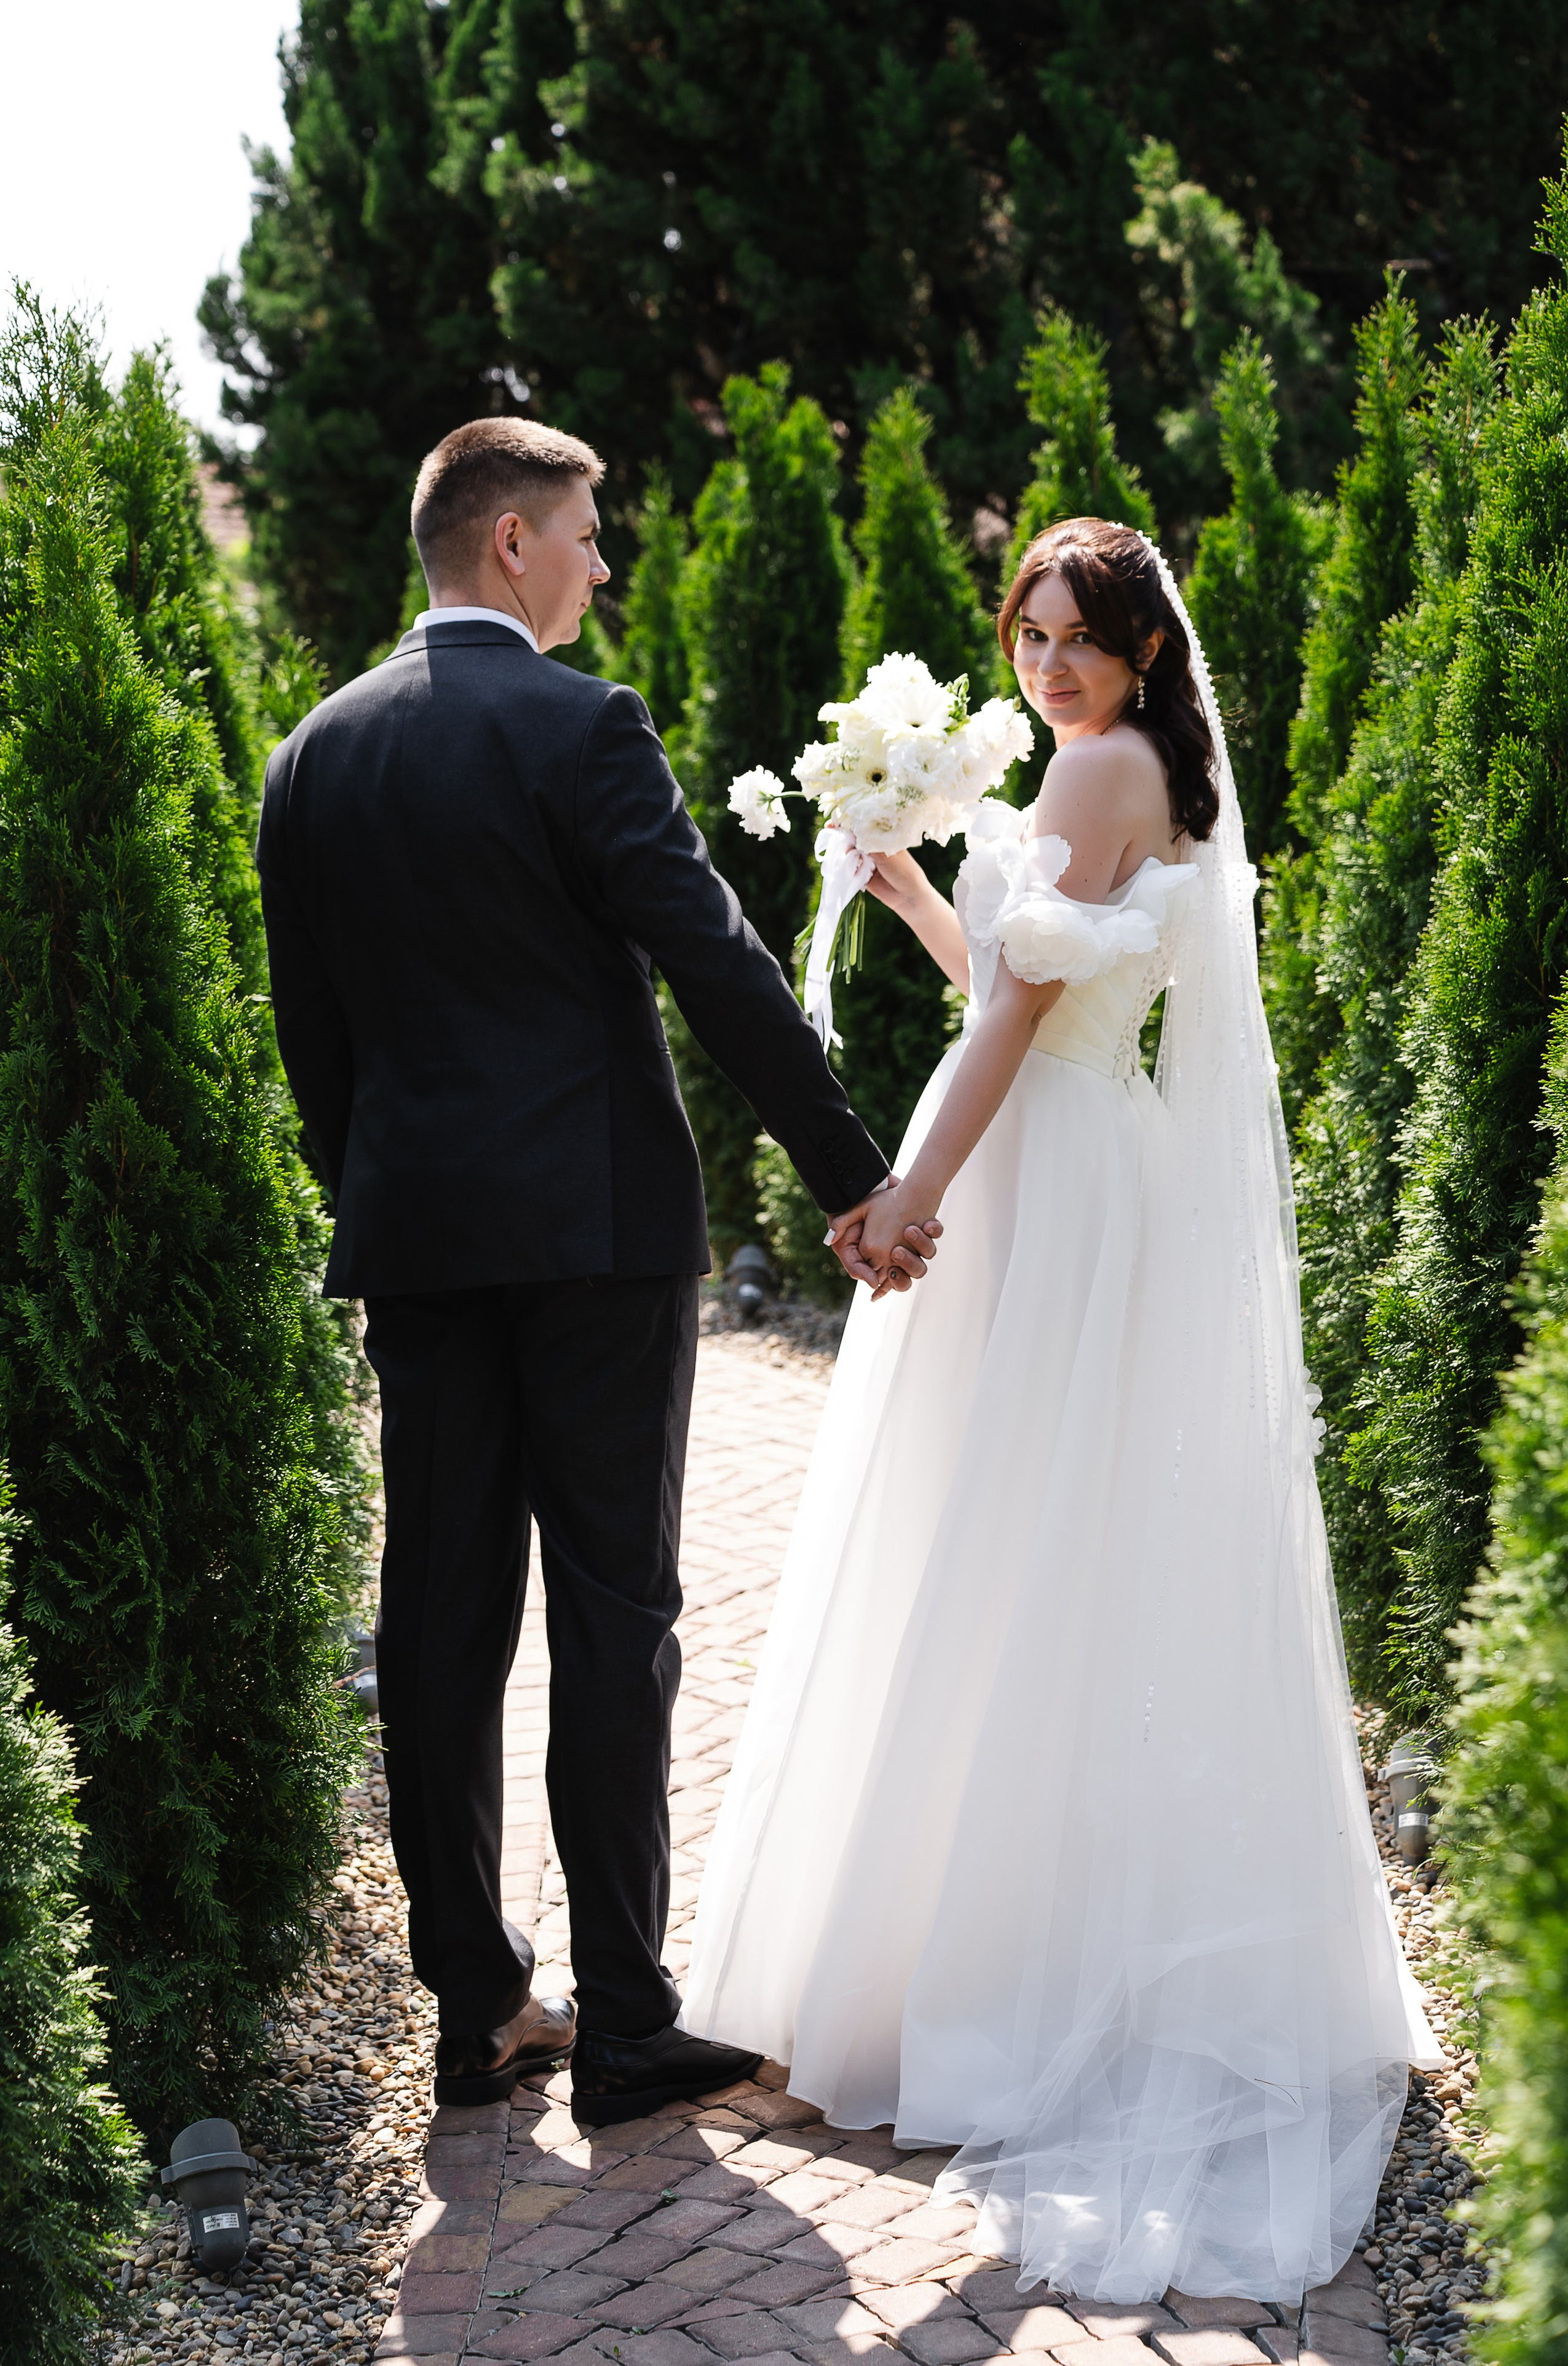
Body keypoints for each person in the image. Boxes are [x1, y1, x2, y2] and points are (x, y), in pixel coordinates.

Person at [681, 518, 1441, 2300]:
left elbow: (1020, 1027)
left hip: (1040, 1167)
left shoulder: (1097, 769)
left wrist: (911, 1191)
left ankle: (972, 1968)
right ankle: (1001, 1930)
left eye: (1080, 637)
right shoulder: (1106, 775)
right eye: (1029, 637)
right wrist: (921, 899)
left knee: (991, 1527)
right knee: (1030, 1532)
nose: (1049, 668)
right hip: (1077, 1156)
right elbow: (1013, 989)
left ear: (1144, 652)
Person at [255, 416, 938, 2124]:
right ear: (508, 546)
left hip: (421, 1244)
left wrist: (390, 1194)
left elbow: (313, 1043)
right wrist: (860, 1177)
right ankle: (628, 2022)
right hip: (599, 1235)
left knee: (440, 1618)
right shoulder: (581, 725)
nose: (604, 564)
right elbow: (712, 963)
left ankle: (474, 2011)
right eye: (587, 531)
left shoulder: (313, 755)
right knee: (616, 1616)